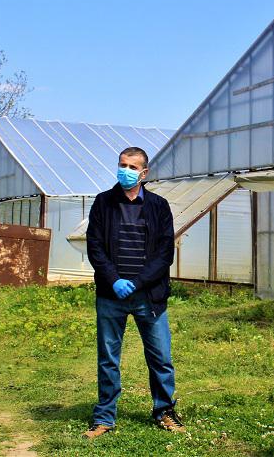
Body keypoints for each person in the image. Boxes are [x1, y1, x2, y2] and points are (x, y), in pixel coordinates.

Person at [83, 146, 183, 439]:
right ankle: (104, 417)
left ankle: (164, 411)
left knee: (161, 357)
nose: (125, 170)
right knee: (108, 358)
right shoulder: (103, 202)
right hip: (111, 295)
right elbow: (95, 246)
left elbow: (164, 253)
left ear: (144, 173)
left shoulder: (158, 206)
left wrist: (137, 283)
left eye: (132, 167)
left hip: (148, 297)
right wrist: (114, 280)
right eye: (122, 164)